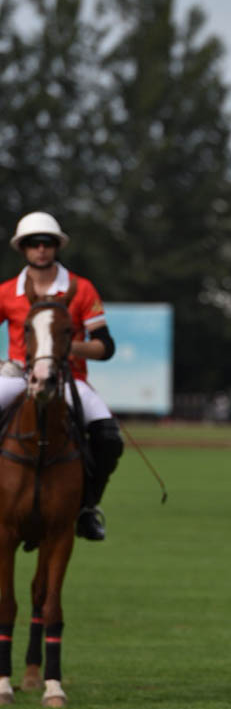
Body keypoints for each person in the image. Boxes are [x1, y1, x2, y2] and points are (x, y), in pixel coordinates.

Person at [0, 211, 123, 541]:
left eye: (47, 243)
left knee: (109, 437)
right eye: (33, 244)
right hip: (17, 376)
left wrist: (71, 349)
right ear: (22, 248)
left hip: (68, 378)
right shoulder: (6, 291)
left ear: (56, 246)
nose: (41, 249)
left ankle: (86, 509)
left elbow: (105, 346)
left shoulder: (80, 289)